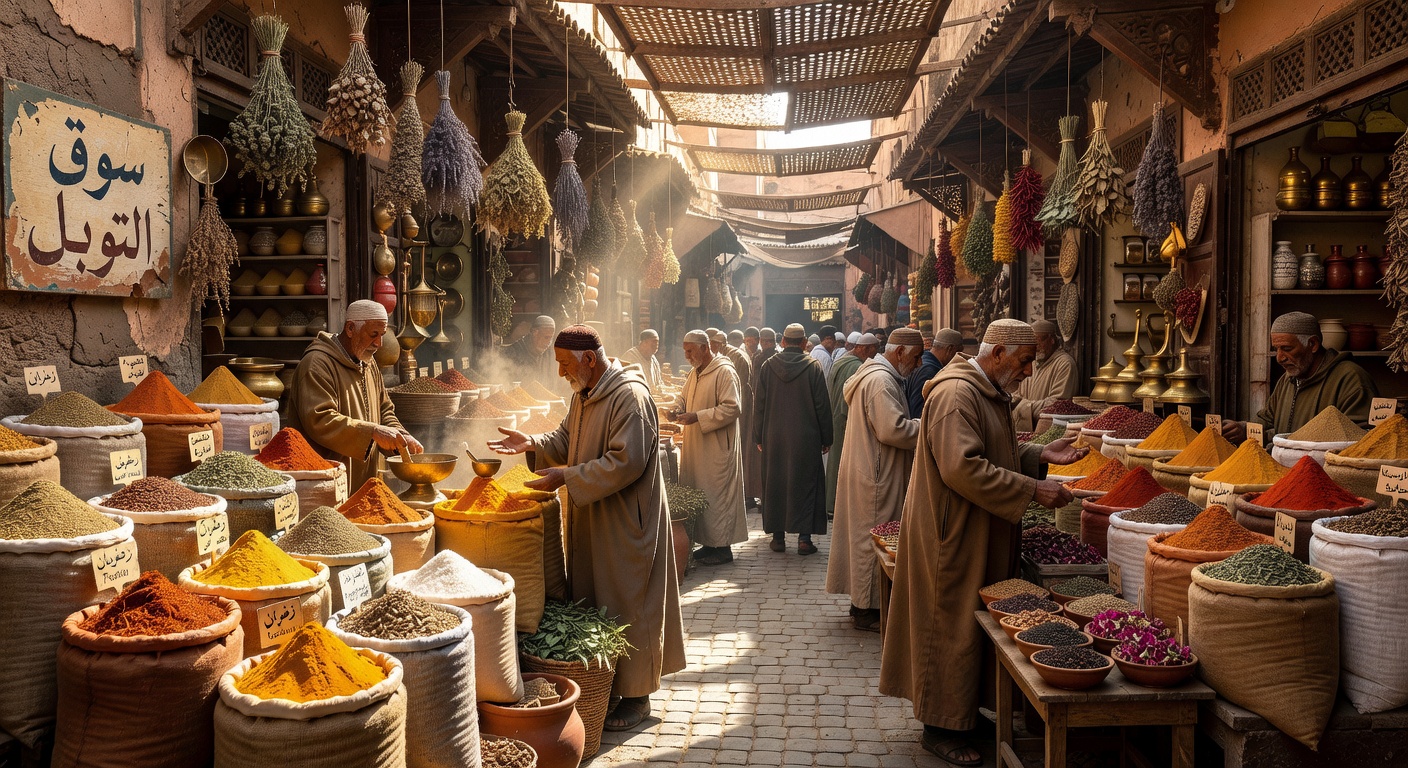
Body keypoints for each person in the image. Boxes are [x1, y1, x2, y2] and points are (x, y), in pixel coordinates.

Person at [879, 319, 1086, 766]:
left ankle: (962, 715)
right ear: (996, 354)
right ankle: (939, 726)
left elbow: (994, 451)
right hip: (951, 535)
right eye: (1025, 361)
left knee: (968, 627)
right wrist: (1033, 490)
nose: (1030, 371)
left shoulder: (984, 388)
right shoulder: (958, 394)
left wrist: (1037, 454)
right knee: (947, 623)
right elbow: (962, 467)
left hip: (972, 528)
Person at [487, 324, 686, 731]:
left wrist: (566, 477)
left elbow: (625, 462)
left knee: (631, 601)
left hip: (627, 522)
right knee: (600, 599)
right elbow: (565, 437)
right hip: (595, 515)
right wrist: (533, 443)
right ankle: (610, 682)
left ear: (589, 360)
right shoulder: (586, 392)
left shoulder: (630, 396)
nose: (560, 372)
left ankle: (637, 698)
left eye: (564, 364)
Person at [827, 328, 922, 632]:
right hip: (878, 475)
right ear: (899, 352)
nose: (919, 364)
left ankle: (865, 604)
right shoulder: (881, 381)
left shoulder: (877, 375)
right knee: (874, 541)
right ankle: (867, 609)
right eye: (916, 356)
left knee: (867, 538)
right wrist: (926, 424)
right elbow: (893, 430)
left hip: (871, 469)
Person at [286, 300, 424, 488]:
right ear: (350, 329)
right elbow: (320, 419)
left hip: (364, 480)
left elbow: (385, 410)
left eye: (382, 335)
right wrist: (372, 432)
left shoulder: (368, 362)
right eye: (373, 334)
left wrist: (401, 437)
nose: (378, 343)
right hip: (325, 483)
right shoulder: (316, 364)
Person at [1223, 311, 1379, 441]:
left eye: (1287, 348)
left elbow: (1360, 440)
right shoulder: (1287, 379)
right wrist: (1244, 428)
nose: (1279, 357)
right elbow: (1267, 420)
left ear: (1313, 344)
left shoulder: (1351, 379)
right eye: (1276, 349)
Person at [669, 330, 747, 566]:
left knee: (716, 494)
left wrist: (698, 417)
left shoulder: (724, 371)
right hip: (697, 444)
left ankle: (722, 548)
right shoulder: (696, 372)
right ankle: (707, 543)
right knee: (700, 490)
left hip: (716, 447)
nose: (686, 355)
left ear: (705, 348)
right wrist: (676, 408)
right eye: (685, 350)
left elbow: (732, 408)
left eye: (690, 350)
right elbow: (684, 397)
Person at [754, 323, 833, 555]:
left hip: (774, 437)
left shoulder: (768, 367)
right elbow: (822, 406)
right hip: (806, 438)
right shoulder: (813, 367)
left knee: (776, 484)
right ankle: (804, 540)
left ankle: (778, 539)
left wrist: (759, 436)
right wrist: (827, 437)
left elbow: (759, 405)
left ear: (783, 341)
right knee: (805, 484)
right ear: (803, 342)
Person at [824, 333, 879, 518]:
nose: (874, 355)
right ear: (865, 348)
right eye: (873, 350)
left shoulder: (842, 360)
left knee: (836, 462)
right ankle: (836, 504)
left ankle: (831, 502)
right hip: (844, 419)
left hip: (835, 417)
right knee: (842, 463)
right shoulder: (855, 366)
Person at [1011, 320, 1079, 432]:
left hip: (1050, 430)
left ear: (1052, 339)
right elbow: (1017, 396)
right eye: (1032, 343)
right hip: (1028, 431)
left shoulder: (1065, 364)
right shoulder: (1032, 362)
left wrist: (1024, 407)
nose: (1035, 347)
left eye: (1039, 341)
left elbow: (1057, 405)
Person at [747, 327, 778, 508]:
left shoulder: (762, 359)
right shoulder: (773, 358)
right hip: (774, 412)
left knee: (763, 459)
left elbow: (757, 389)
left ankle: (765, 497)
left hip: (763, 412)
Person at [907, 328, 963, 419]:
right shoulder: (930, 371)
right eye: (959, 352)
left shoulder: (926, 362)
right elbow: (920, 411)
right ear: (950, 349)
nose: (960, 356)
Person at [501, 315, 558, 387]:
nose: (548, 343)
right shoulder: (513, 353)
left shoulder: (550, 355)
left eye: (551, 338)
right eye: (546, 337)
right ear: (534, 332)